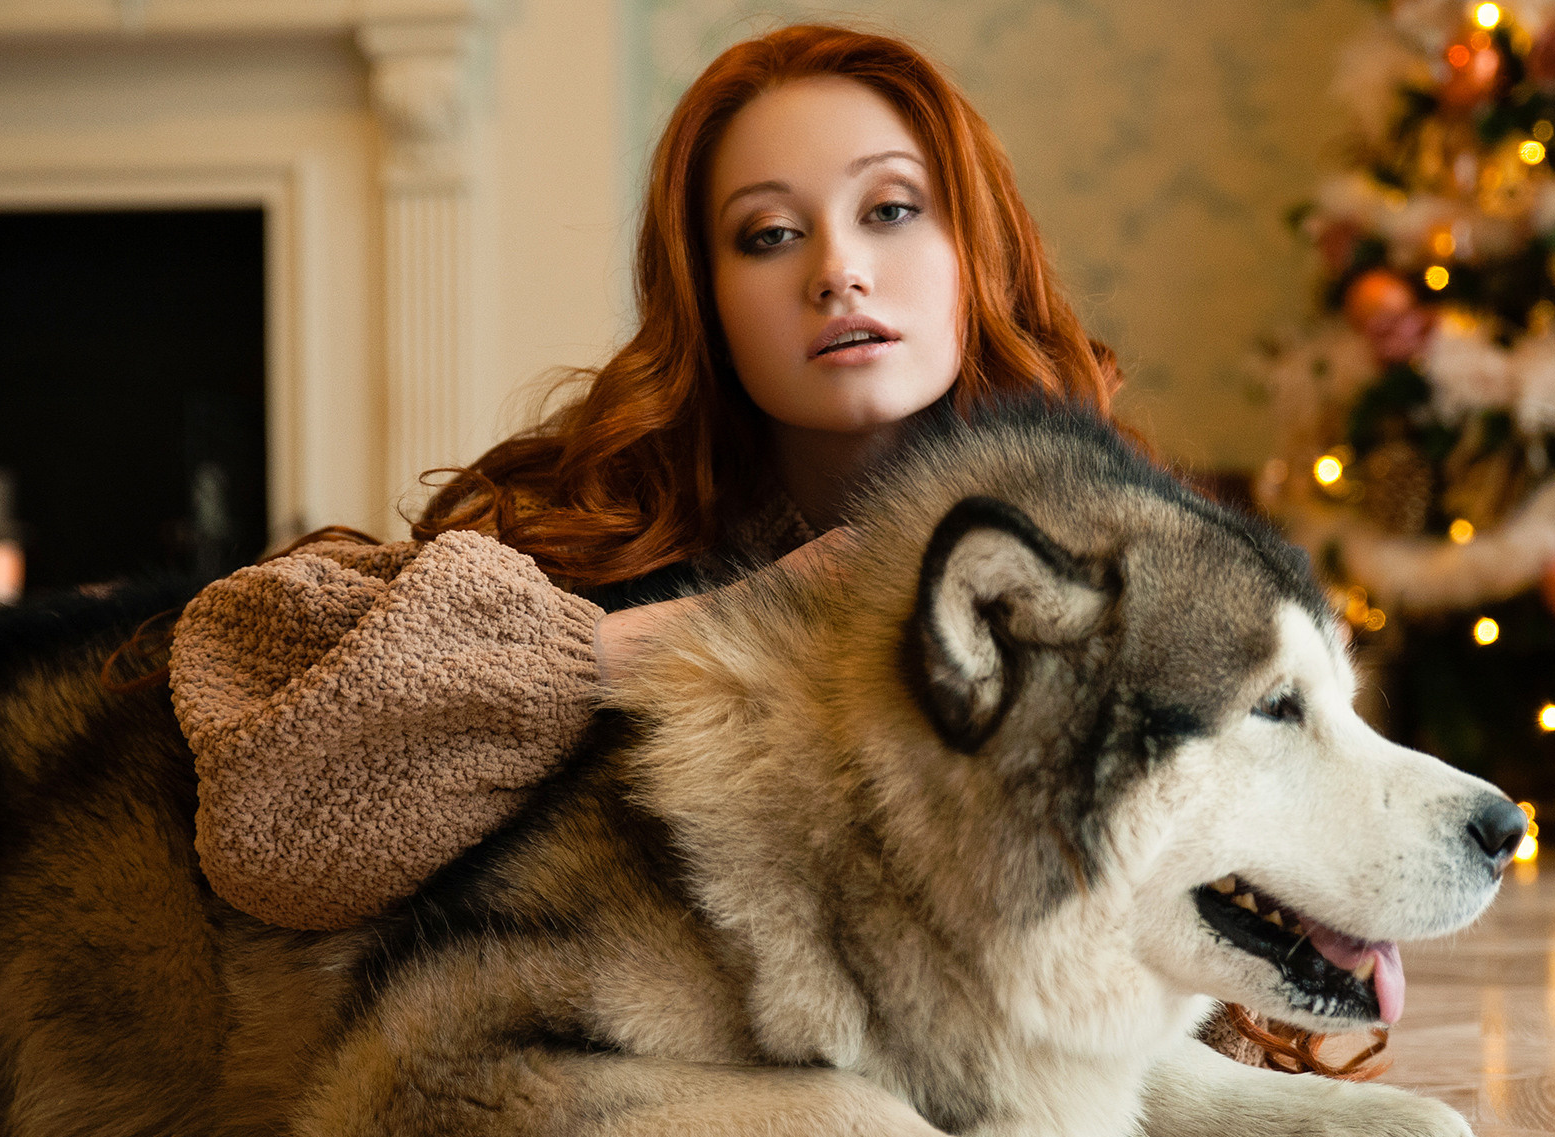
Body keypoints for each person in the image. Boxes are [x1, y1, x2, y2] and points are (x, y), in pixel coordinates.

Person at [170, 23, 1126, 933]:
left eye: (889, 210)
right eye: (768, 234)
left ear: (976, 252)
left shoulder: (1105, 565)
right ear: (706, 301)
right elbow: (267, 830)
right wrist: (684, 635)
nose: (838, 271)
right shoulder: (589, 533)